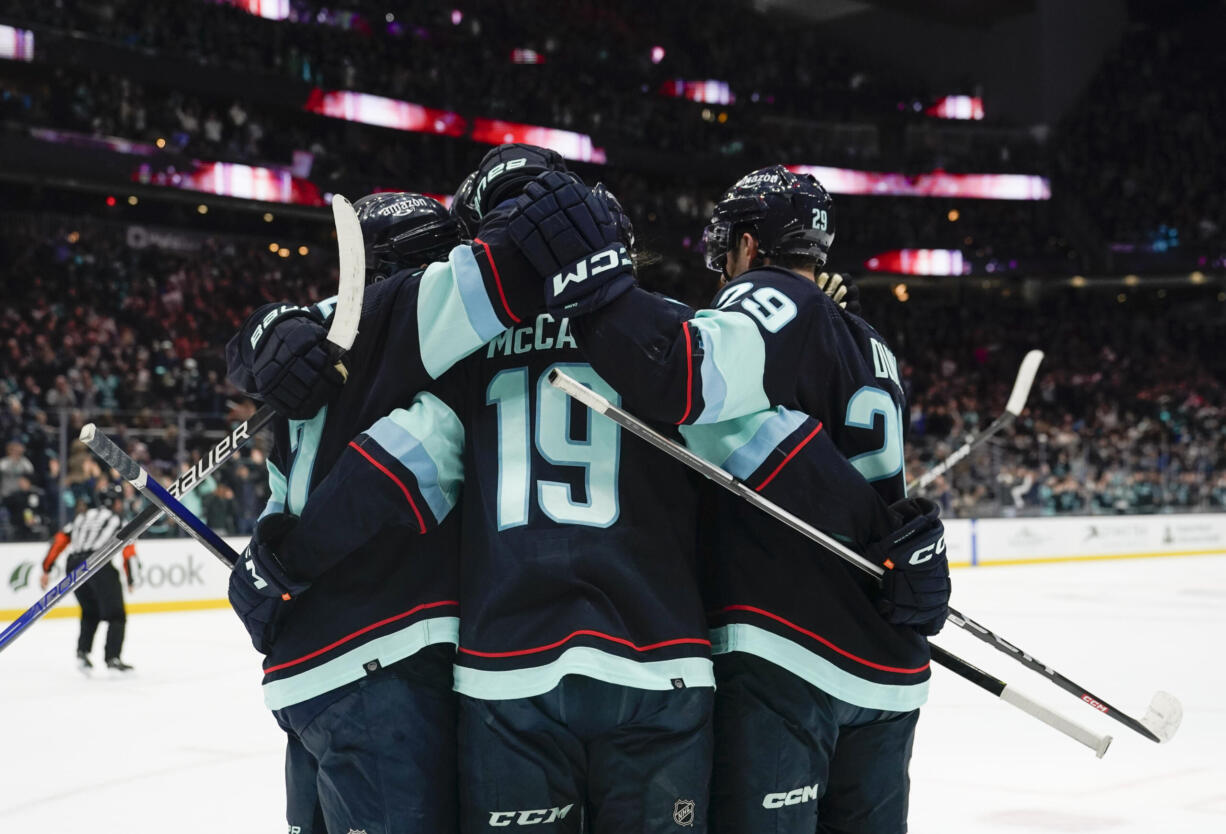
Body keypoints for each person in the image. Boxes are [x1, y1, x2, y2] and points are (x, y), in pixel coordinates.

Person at [266, 159, 928, 834]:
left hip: (508, 668)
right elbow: (772, 460)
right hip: (661, 660)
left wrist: (284, 564)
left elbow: (395, 469)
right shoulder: (669, 332)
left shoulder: (468, 355)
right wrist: (887, 540)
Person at [507, 165, 950, 833]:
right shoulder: (873, 342)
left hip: (789, 648)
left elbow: (686, 371)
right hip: (887, 669)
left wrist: (595, 286)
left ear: (747, 244)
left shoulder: (768, 297)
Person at [224, 182, 543, 834]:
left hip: (303, 677)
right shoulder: (414, 326)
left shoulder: (308, 340)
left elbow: (279, 505)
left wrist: (268, 576)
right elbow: (400, 464)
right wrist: (290, 562)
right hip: (381, 659)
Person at [40, 484, 137, 674]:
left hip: (73, 565)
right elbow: (128, 551)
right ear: (114, 502)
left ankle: (82, 653)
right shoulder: (118, 519)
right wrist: (131, 578)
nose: (120, 505)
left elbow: (60, 540)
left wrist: (46, 569)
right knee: (116, 615)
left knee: (89, 610)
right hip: (97, 563)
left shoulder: (82, 517)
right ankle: (112, 658)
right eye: (119, 501)